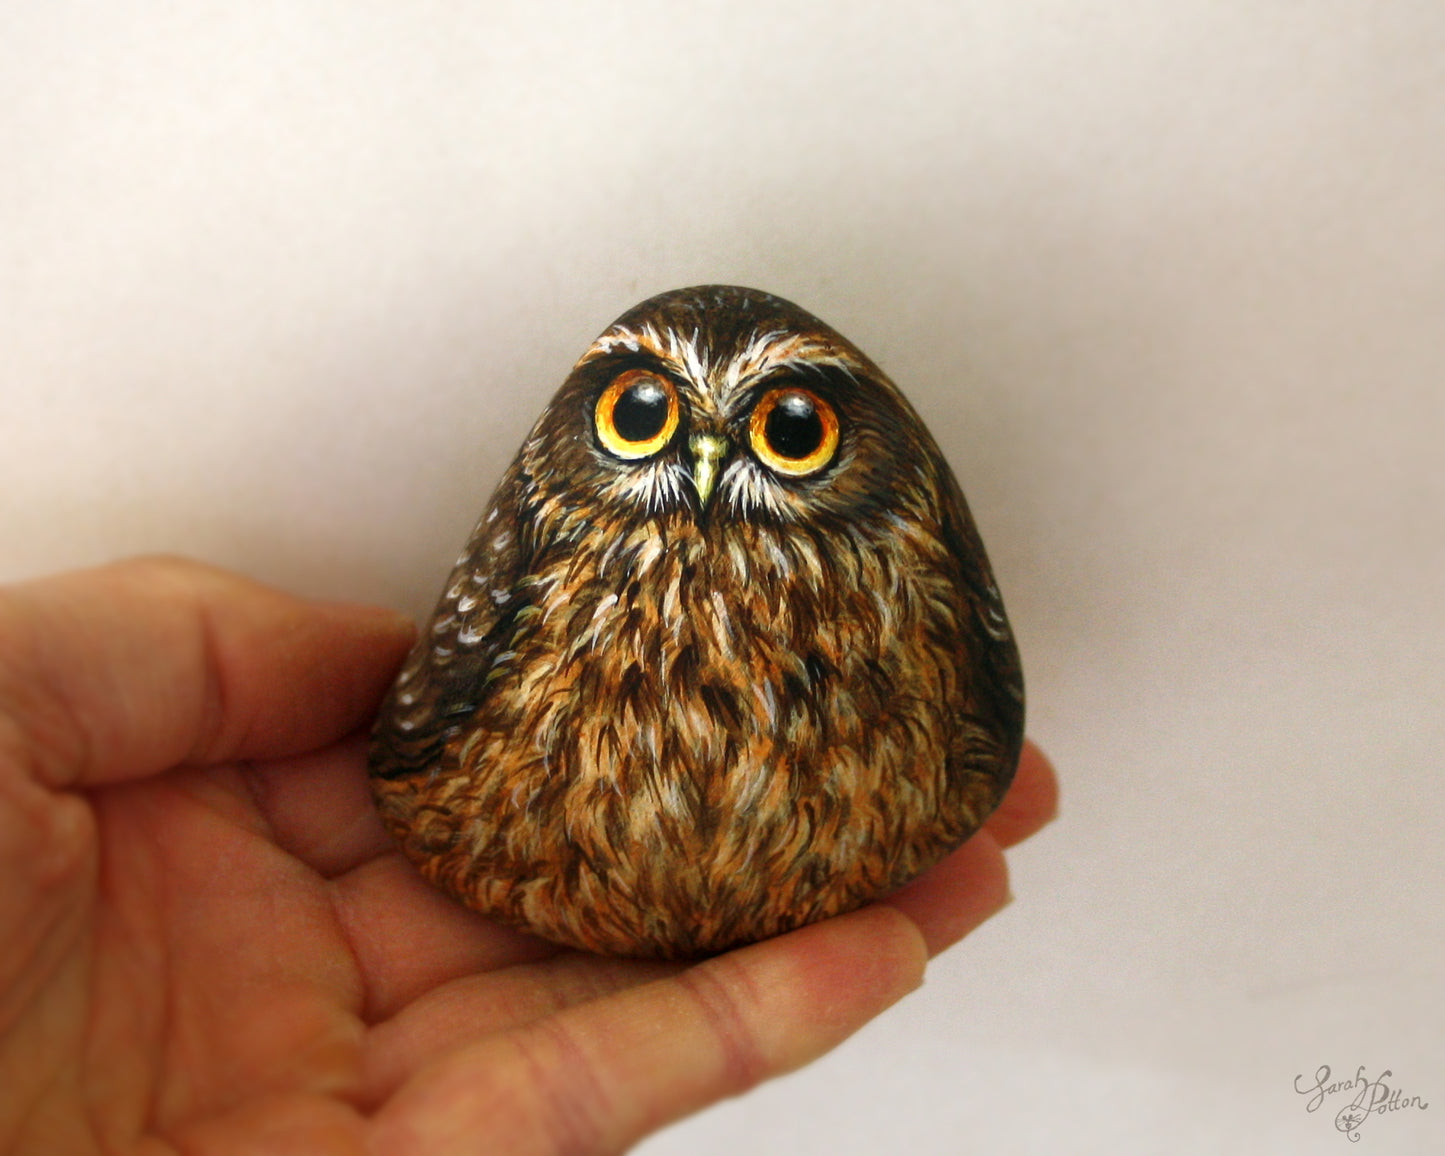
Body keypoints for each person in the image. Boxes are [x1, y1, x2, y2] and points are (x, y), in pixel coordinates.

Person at [0, 557, 1057, 1154]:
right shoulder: (544, 572)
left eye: (789, 431)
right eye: (639, 421)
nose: (699, 465)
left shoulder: (899, 590)